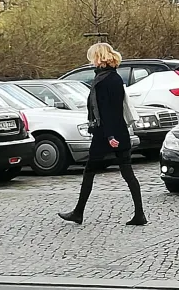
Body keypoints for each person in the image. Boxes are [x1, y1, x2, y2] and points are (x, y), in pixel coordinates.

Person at [58, 43, 147, 226]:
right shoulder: (114, 77)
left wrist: (109, 136)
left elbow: (107, 110)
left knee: (90, 171)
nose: (91, 61)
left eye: (92, 57)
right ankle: (139, 214)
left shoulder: (103, 80)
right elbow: (115, 109)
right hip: (119, 130)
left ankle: (78, 212)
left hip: (105, 133)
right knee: (127, 172)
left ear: (99, 58)